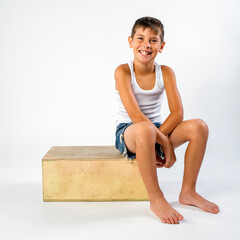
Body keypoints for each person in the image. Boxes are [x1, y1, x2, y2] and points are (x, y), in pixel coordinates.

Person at [114, 16, 220, 224]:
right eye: (140, 38)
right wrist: (167, 146)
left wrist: (160, 137)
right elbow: (136, 118)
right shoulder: (123, 71)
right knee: (144, 129)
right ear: (130, 42)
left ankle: (188, 192)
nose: (146, 45)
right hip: (130, 131)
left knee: (199, 127)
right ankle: (156, 198)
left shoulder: (166, 73)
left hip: (157, 129)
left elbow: (177, 113)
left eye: (153, 40)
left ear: (161, 46)